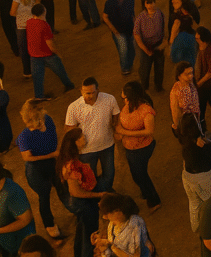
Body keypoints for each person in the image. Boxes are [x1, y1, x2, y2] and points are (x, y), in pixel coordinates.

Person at [16, 99, 65, 242]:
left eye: (31, 122)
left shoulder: (48, 120)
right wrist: (52, 155)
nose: (28, 126)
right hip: (36, 170)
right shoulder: (24, 136)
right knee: (44, 197)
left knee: (62, 185)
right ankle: (49, 225)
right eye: (26, 122)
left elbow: (53, 138)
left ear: (40, 117)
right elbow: (28, 158)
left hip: (51, 163)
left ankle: (73, 206)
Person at [65, 77, 119, 193]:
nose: (89, 96)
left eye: (92, 92)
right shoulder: (73, 107)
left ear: (98, 90)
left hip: (107, 146)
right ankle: (100, 194)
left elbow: (116, 117)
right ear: (81, 91)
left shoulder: (109, 99)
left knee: (109, 174)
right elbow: (70, 131)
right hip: (86, 151)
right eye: (86, 93)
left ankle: (102, 193)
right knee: (89, 178)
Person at [115, 81, 161, 211]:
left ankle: (154, 199)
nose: (122, 97)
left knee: (140, 175)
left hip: (142, 148)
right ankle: (146, 192)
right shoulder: (129, 105)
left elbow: (149, 131)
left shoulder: (146, 111)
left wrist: (125, 133)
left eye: (124, 96)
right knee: (137, 174)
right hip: (130, 148)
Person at [58, 128, 103, 257]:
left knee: (82, 232)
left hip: (84, 203)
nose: (85, 138)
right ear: (76, 142)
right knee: (90, 236)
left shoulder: (73, 159)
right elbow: (75, 192)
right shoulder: (72, 165)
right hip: (84, 203)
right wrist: (99, 195)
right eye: (82, 137)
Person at [177, 115, 211, 233]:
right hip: (203, 177)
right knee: (210, 203)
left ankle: (196, 227)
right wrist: (206, 144)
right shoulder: (200, 144)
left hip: (187, 176)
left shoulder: (183, 140)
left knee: (194, 203)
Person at [93, 193, 153, 257]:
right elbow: (117, 242)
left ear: (118, 212)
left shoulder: (134, 227)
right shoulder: (113, 224)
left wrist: (115, 250)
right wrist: (104, 243)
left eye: (107, 213)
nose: (104, 217)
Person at [102, 0, 136, 76]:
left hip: (130, 28)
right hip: (118, 31)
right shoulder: (109, 3)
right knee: (123, 49)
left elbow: (132, 13)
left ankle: (129, 64)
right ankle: (125, 68)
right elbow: (105, 17)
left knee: (132, 48)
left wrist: (136, 25)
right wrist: (113, 29)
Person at [133, 0, 166, 93]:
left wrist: (163, 43)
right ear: (145, 5)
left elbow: (164, 27)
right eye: (148, 3)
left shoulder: (160, 13)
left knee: (159, 67)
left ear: (155, 3)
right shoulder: (140, 18)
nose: (150, 5)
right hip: (146, 45)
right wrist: (145, 49)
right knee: (145, 68)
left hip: (158, 44)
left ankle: (158, 86)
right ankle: (144, 87)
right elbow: (137, 35)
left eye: (152, 2)